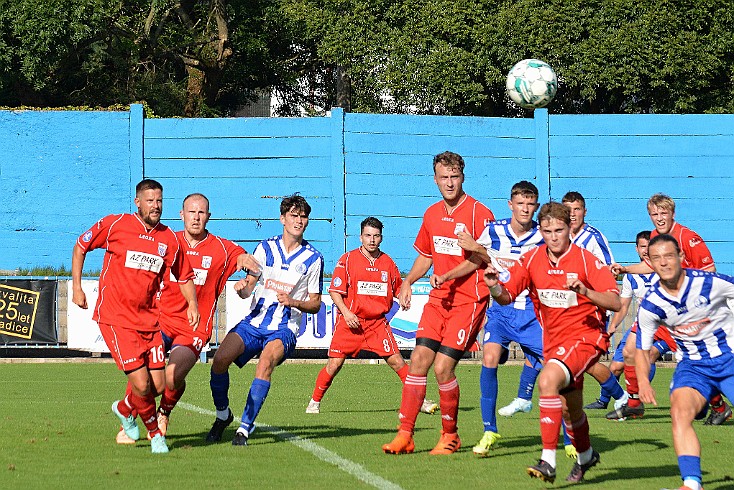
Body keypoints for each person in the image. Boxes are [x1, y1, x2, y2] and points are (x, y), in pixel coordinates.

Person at [485, 202, 621, 483]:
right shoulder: (533, 259)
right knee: (570, 411)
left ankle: (548, 460)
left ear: (569, 228)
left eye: (559, 230)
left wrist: (585, 291)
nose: (553, 236)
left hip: (586, 337)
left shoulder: (585, 260)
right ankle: (586, 456)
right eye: (547, 231)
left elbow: (615, 301)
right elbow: (507, 297)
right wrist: (494, 286)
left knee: (547, 380)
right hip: (555, 342)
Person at [71, 179, 200, 454]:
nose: (156, 206)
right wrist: (77, 287)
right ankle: (155, 436)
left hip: (150, 321)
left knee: (158, 384)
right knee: (140, 383)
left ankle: (123, 409)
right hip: (116, 319)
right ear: (137, 202)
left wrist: (193, 305)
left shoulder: (168, 238)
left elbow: (185, 275)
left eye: (160, 201)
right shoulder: (115, 224)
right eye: (150, 201)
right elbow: (80, 246)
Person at [382, 151, 495, 455]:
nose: (449, 182)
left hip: (469, 301)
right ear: (434, 179)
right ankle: (405, 435)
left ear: (463, 177)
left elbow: (480, 258)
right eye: (443, 177)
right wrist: (407, 281)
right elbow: (426, 256)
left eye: (454, 176)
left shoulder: (479, 213)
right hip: (438, 300)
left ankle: (450, 435)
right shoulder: (432, 213)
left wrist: (446, 276)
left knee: (443, 368)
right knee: (418, 361)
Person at [427, 181, 548, 456]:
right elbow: (475, 260)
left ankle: (571, 435)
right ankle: (489, 430)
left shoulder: (543, 235)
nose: (525, 209)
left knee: (560, 369)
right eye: (520, 203)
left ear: (536, 207)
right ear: (511, 205)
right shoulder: (494, 230)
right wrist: (446, 275)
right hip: (501, 311)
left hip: (532, 312)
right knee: (489, 358)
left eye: (530, 204)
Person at [206, 194, 324, 445]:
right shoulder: (265, 248)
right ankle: (223, 414)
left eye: (303, 216)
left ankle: (244, 429)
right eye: (294, 215)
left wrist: (294, 302)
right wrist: (242, 288)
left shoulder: (313, 258)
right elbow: (249, 285)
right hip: (255, 321)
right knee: (219, 361)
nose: (299, 221)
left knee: (266, 362)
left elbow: (315, 303)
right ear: (282, 219)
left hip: (284, 327)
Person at [139, 193, 258, 440]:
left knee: (172, 377)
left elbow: (247, 261)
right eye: (191, 212)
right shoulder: (166, 242)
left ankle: (165, 411)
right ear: (181, 215)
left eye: (201, 212)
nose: (196, 217)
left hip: (193, 328)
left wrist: (247, 274)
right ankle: (128, 419)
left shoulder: (222, 249)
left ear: (208, 217)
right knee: (143, 374)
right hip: (160, 322)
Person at [612, 193, 730, 425]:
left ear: (672, 213)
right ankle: (634, 403)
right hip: (662, 308)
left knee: (695, 360)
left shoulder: (689, 238)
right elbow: (650, 264)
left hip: (688, 313)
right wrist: (625, 269)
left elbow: (710, 271)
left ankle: (719, 406)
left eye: (663, 213)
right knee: (629, 350)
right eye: (654, 214)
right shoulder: (656, 236)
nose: (659, 218)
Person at [306, 217, 437, 415]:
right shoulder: (348, 259)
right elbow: (335, 291)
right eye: (368, 235)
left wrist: (404, 296)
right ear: (360, 237)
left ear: (381, 238)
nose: (372, 240)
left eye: (376, 236)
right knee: (334, 364)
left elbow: (398, 288)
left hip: (377, 325)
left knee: (398, 362)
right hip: (351, 323)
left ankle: (420, 400)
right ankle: (314, 402)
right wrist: (347, 312)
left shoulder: (387, 262)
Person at [635, 234, 734, 490]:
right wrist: (643, 382)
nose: (664, 263)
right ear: (650, 263)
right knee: (679, 413)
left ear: (680, 257)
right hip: (694, 368)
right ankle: (692, 484)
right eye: (656, 258)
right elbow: (641, 350)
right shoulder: (651, 304)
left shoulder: (711, 283)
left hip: (730, 361)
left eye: (669, 256)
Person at [558, 192, 627, 412]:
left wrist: (589, 285)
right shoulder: (558, 236)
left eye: (577, 209)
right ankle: (620, 397)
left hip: (589, 309)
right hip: (563, 308)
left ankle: (622, 397)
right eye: (568, 209)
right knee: (572, 359)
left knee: (582, 359)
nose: (572, 214)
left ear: (584, 211)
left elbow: (610, 271)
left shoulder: (594, 238)